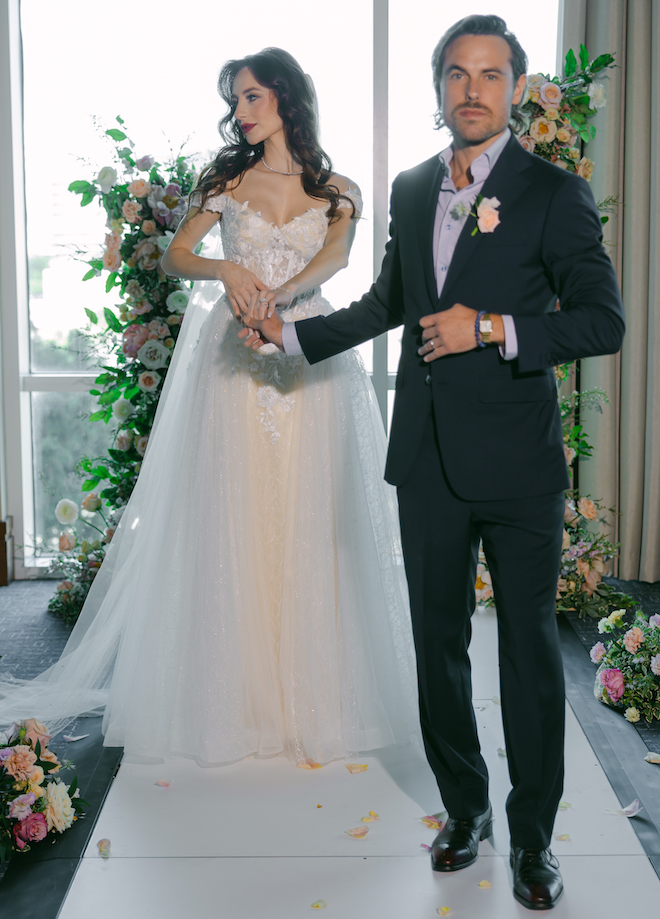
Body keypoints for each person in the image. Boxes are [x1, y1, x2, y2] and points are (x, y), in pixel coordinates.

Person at [241, 16, 625, 911]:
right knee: (437, 650)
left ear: (517, 89)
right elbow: (387, 300)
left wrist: (492, 329)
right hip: (427, 461)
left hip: (521, 467)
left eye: (492, 75)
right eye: (457, 74)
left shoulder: (554, 193)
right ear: (439, 87)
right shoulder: (412, 188)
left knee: (528, 657)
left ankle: (533, 840)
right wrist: (288, 334)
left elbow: (602, 321)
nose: (473, 90)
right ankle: (466, 809)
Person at [0, 48, 419, 768]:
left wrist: (282, 302)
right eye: (235, 101)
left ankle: (317, 699)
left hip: (309, 357)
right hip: (234, 367)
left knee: (314, 520)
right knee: (238, 519)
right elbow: (175, 255)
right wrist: (226, 266)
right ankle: (237, 700)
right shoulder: (225, 179)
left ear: (285, 97)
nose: (241, 112)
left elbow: (340, 260)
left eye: (252, 96)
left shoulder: (338, 187)